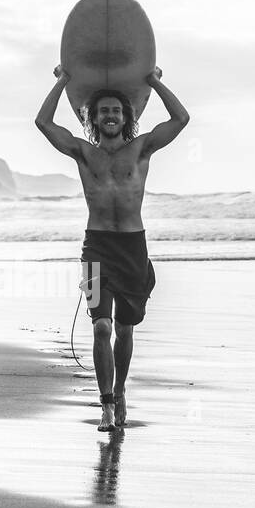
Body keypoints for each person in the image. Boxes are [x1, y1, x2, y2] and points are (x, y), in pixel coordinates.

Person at [35, 65, 189, 431]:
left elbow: (181, 118)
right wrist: (62, 81)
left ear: (126, 117)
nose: (110, 116)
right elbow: (43, 123)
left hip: (134, 249)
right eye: (103, 111)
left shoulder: (141, 148)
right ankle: (105, 403)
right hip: (96, 249)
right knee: (100, 327)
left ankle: (120, 389)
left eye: (116, 111)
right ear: (93, 117)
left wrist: (154, 81)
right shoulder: (84, 153)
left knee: (125, 329)